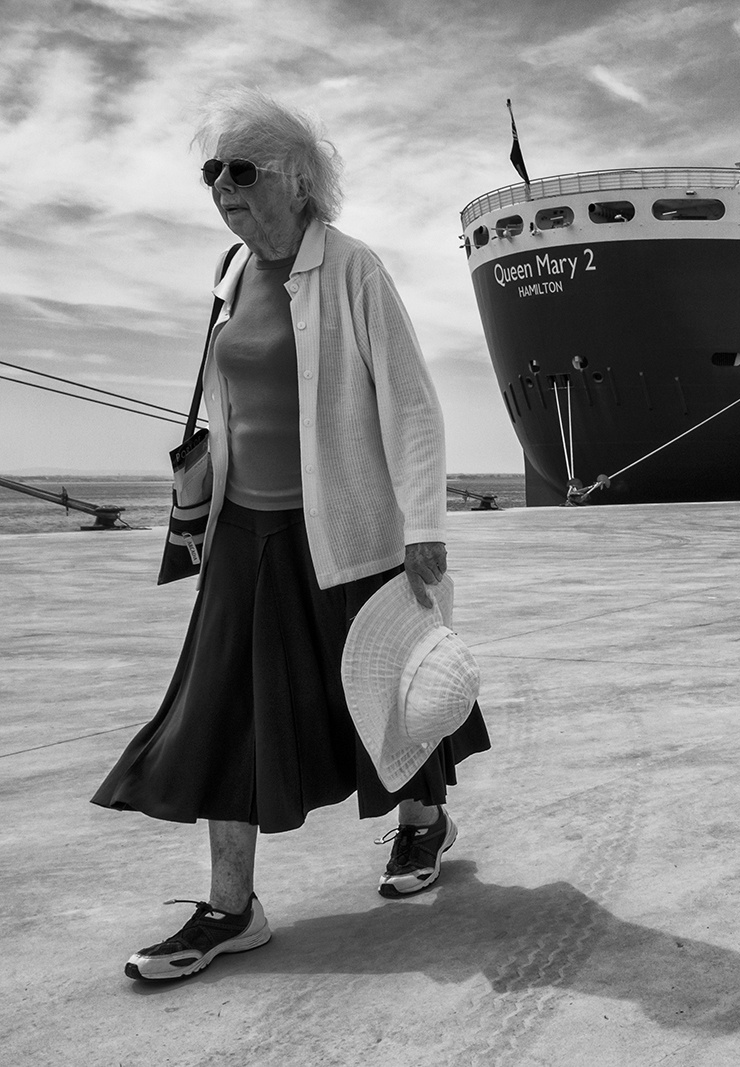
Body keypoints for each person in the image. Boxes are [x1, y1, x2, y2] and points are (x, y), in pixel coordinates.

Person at [93, 88, 490, 982]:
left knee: (382, 690)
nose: (224, 188)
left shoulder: (353, 270)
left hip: (347, 530)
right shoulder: (230, 272)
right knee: (220, 708)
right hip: (244, 530)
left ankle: (423, 822)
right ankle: (231, 907)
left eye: (244, 170)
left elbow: (413, 405)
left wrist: (424, 525)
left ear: (301, 182)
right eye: (213, 171)